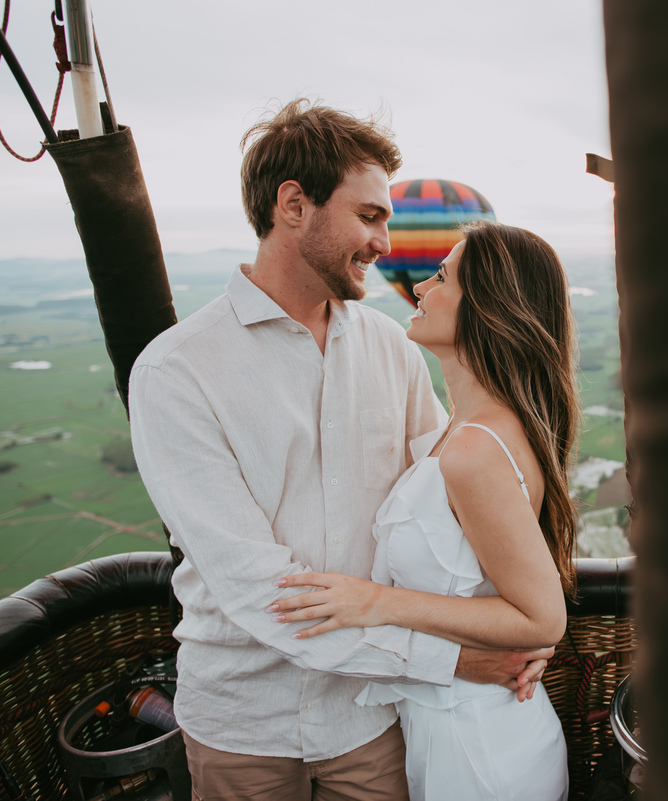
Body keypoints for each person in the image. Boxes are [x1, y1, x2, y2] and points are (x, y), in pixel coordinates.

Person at [128, 100, 550, 800]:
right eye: (370, 215)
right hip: (246, 729)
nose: (385, 241)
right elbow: (264, 593)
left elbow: (450, 506)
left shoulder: (393, 347)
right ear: (294, 205)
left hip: (372, 717)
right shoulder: (177, 372)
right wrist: (455, 660)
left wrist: (518, 621)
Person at [273, 220, 578, 801]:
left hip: (476, 750)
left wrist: (375, 602)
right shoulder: (469, 428)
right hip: (463, 728)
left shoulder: (473, 450)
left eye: (441, 277)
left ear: (489, 308)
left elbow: (543, 620)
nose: (419, 288)